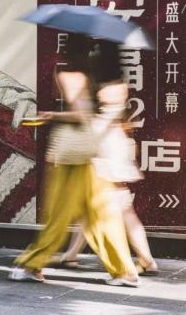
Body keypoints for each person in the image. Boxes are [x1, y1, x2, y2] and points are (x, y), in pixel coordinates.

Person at [9, 33, 139, 287]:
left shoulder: (69, 74)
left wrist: (51, 116)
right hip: (92, 150)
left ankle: (31, 264)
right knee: (100, 213)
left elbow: (80, 115)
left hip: (71, 153)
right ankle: (125, 271)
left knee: (60, 214)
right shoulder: (92, 72)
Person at [55, 40, 158, 275]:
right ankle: (71, 254)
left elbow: (104, 120)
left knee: (120, 207)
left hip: (106, 147)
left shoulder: (109, 86)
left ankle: (147, 259)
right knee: (94, 204)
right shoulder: (115, 82)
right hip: (111, 146)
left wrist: (88, 134)